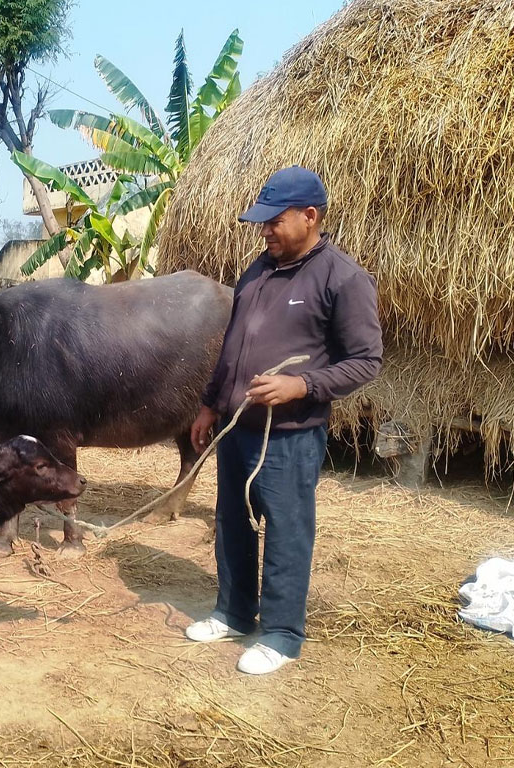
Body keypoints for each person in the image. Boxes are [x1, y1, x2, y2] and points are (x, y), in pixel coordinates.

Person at [187, 166, 383, 674]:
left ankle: (280, 633)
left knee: (286, 531)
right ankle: (233, 612)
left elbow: (367, 360)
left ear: (310, 216)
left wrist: (303, 385)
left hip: (290, 436)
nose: (265, 231)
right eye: (262, 223)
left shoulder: (343, 278)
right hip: (238, 429)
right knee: (231, 523)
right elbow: (232, 347)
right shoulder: (257, 270)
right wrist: (211, 402)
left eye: (274, 222)